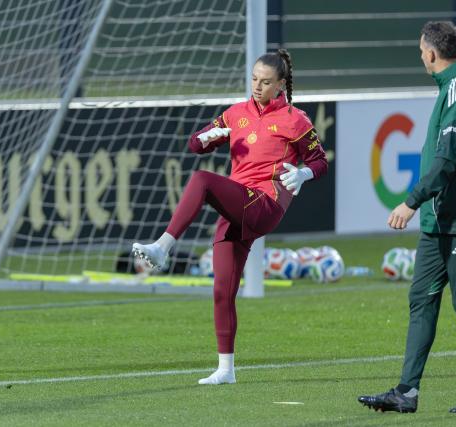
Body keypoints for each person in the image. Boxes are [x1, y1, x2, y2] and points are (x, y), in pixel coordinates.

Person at [132, 49, 327, 385]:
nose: (257, 86)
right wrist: (204, 139)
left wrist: (303, 174)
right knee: (222, 290)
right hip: (238, 206)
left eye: (265, 82)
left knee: (202, 180)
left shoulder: (296, 119)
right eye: (254, 79)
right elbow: (195, 145)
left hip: (265, 204)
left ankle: (163, 247)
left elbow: (320, 161)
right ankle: (226, 370)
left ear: (281, 85)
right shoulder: (236, 113)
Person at [358, 21, 456, 413]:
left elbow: (448, 161)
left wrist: (410, 202)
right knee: (421, 298)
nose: (420, 55)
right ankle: (407, 392)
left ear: (432, 53)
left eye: (421, 50)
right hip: (442, 223)